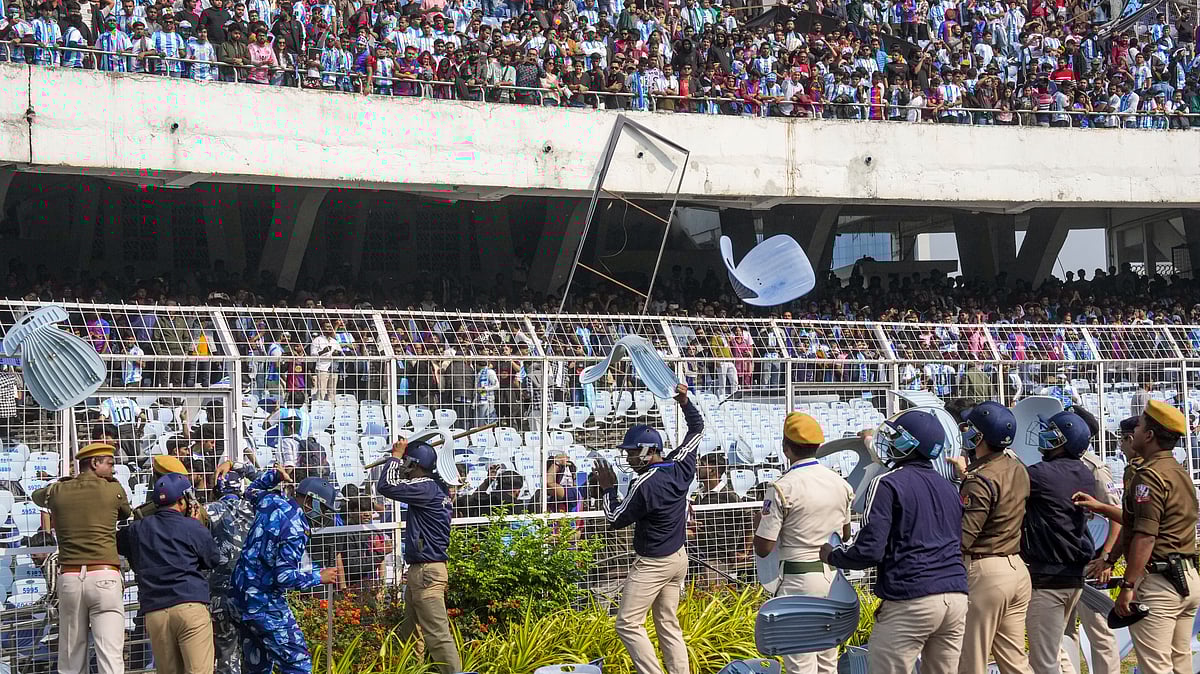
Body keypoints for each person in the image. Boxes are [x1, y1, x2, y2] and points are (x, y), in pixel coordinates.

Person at [821, 410, 968, 674]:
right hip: (956, 597)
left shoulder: (887, 483)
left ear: (910, 444)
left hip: (912, 596)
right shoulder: (949, 487)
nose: (889, 442)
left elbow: (870, 550)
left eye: (897, 437)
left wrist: (834, 555)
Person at [1077, 400, 1200, 674]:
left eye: (1142, 425)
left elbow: (1145, 535)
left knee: (1156, 667)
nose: (1135, 432)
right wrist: (1110, 557)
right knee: (1180, 662)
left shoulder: (1149, 476)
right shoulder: (1179, 473)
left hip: (1160, 583)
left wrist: (1129, 585)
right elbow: (1135, 524)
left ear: (1149, 435)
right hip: (1187, 577)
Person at [592, 383, 702, 674]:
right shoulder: (680, 465)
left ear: (647, 451)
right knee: (668, 623)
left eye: (631, 452)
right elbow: (697, 428)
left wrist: (608, 488)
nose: (628, 458)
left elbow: (615, 518)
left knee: (627, 623)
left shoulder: (645, 483)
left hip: (653, 563)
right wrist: (684, 401)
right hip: (678, 557)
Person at [753, 412, 852, 674]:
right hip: (832, 578)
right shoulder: (840, 483)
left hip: (797, 581)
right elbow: (845, 534)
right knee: (827, 663)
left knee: (801, 664)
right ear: (818, 446)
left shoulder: (782, 487)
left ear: (786, 449)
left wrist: (757, 524)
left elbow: (764, 548)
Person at [941, 401, 1033, 674]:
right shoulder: (1017, 466)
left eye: (971, 429)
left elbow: (964, 537)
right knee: (1015, 661)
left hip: (985, 570)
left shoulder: (979, 479)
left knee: (971, 659)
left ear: (980, 437)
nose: (966, 432)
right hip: (1016, 567)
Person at [32, 442, 132, 674]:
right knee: (110, 654)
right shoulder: (112, 489)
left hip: (70, 578)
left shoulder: (58, 491)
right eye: (109, 463)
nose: (113, 469)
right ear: (95, 463)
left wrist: (64, 483)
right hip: (104, 576)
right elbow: (126, 512)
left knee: (71, 653)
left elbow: (38, 496)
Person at [229, 473, 341, 674]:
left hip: (240, 596)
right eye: (322, 508)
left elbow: (251, 491)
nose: (323, 514)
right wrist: (319, 577)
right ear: (309, 500)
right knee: (298, 664)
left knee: (257, 664)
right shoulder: (296, 529)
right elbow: (284, 577)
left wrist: (273, 476)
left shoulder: (272, 501)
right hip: (265, 604)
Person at [116, 473, 218, 674]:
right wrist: (197, 525)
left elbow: (118, 541)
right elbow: (212, 559)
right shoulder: (191, 526)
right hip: (189, 605)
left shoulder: (137, 529)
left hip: (155, 612)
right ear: (182, 500)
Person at [376, 437, 461, 674]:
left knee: (437, 634)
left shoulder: (425, 487)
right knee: (411, 633)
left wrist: (394, 456)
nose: (403, 466)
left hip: (427, 572)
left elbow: (386, 486)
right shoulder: (433, 487)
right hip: (421, 570)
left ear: (414, 463)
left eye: (406, 462)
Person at [1022, 411, 1095, 674]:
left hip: (1047, 580)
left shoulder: (1041, 474)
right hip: (1072, 577)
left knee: (1043, 661)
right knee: (1056, 650)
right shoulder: (1085, 472)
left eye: (1052, 433)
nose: (1044, 436)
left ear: (1065, 441)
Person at [207, 461, 275, 674]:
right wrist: (238, 465)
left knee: (226, 656)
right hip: (252, 592)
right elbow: (272, 478)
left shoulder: (207, 511)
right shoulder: (254, 507)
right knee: (257, 655)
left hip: (219, 595)